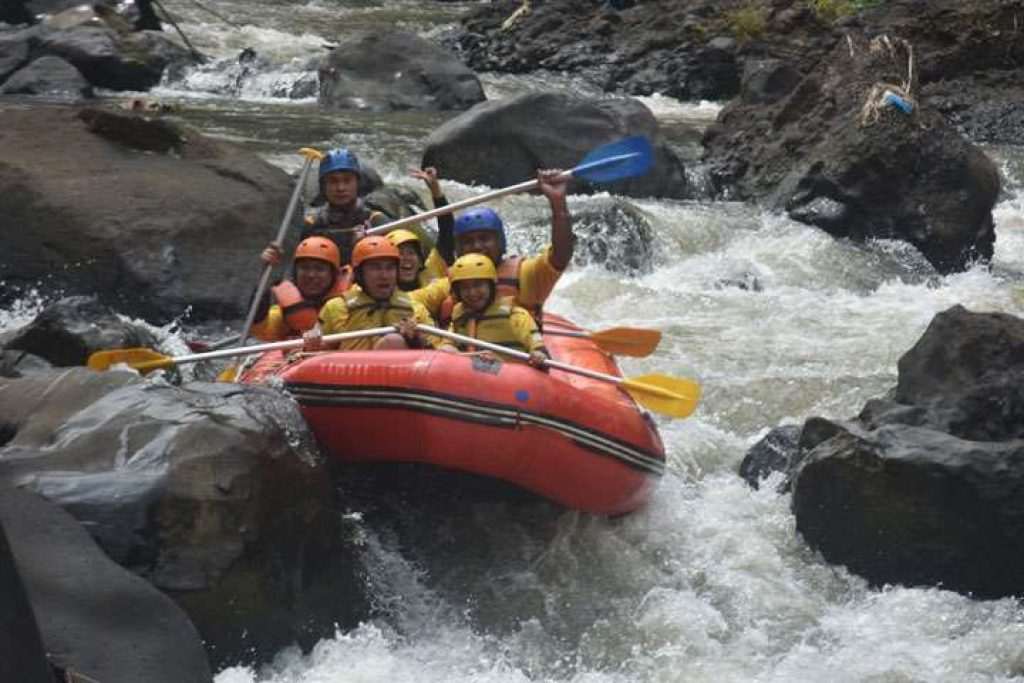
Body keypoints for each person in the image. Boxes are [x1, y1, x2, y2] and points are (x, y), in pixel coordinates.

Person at [413, 168, 572, 325]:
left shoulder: (525, 275)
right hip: (459, 349)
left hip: (513, 348)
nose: (476, 246)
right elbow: (409, 302)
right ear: (458, 250)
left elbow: (560, 255)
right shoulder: (451, 281)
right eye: (468, 241)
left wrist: (558, 204)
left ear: (500, 242)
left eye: (484, 238)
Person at [306, 236, 434, 351]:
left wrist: (416, 340)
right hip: (353, 373)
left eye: (389, 268)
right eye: (375, 268)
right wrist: (312, 345)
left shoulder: (416, 309)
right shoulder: (336, 307)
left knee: (394, 342)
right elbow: (317, 354)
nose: (384, 276)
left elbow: (437, 351)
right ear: (360, 274)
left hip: (398, 373)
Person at [439, 254, 549, 369]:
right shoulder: (459, 317)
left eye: (478, 285)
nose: (472, 293)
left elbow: (539, 348)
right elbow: (448, 342)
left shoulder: (516, 316)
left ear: (491, 286)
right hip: (469, 379)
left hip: (510, 379)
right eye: (465, 288)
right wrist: (448, 347)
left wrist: (538, 355)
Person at [250, 237, 349, 341]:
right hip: (301, 356)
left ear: (333, 274)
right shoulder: (287, 311)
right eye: (305, 268)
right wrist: (265, 276)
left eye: (319, 269)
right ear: (295, 273)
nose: (311, 275)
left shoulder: (350, 305)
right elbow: (260, 329)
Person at [301, 148, 389, 265]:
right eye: (333, 181)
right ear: (324, 186)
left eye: (347, 181)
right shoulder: (312, 225)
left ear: (357, 183)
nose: (340, 188)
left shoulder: (376, 221)